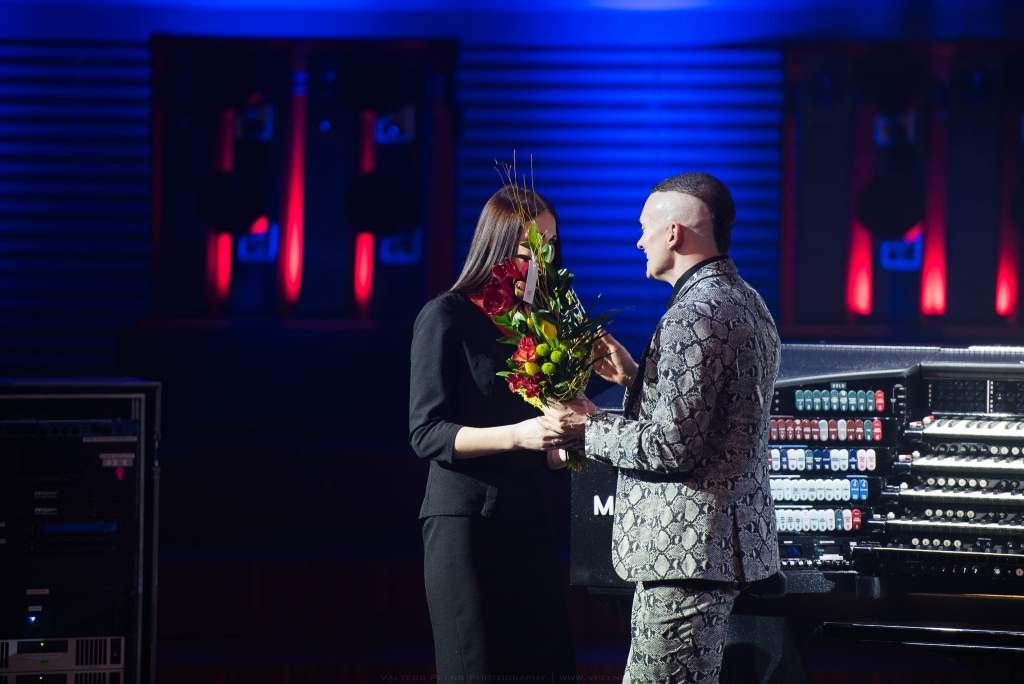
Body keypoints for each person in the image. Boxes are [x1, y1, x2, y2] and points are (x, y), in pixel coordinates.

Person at [546, 172, 781, 683]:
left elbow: (671, 445)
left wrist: (584, 427)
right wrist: (635, 378)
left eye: (644, 227)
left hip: (684, 556)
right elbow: (715, 419)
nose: (639, 241)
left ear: (673, 233)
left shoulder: (693, 315)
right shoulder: (747, 301)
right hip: (710, 554)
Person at [408, 186, 576, 682]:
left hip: (531, 517)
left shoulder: (539, 325)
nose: (542, 261)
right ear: (497, 246)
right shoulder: (447, 315)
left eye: (550, 247)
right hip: (467, 525)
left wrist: (566, 440)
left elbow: (549, 443)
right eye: (530, 249)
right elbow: (427, 433)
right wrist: (519, 435)